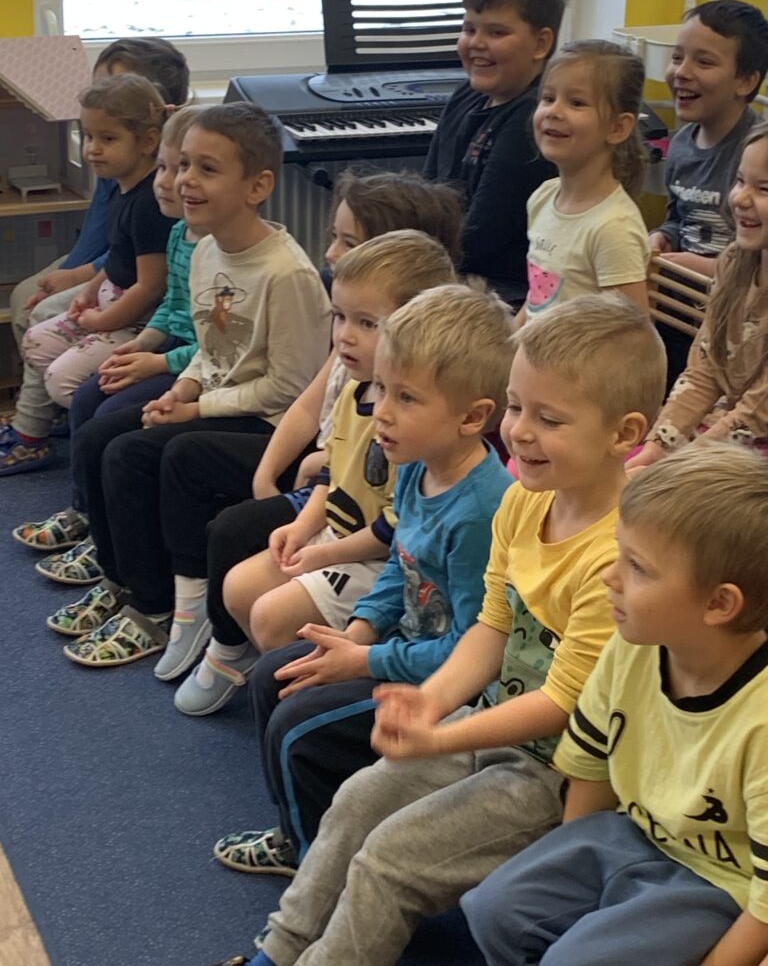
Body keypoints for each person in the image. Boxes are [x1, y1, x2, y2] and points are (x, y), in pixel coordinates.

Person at [214, 293, 667, 966]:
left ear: (624, 434)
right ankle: (278, 952)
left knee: (389, 860)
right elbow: (491, 627)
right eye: (516, 407)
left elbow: (562, 703)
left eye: (548, 418)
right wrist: (431, 702)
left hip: (556, 773)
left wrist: (441, 731)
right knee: (357, 800)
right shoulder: (523, 504)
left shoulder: (615, 557)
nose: (519, 433)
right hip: (488, 727)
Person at [212, 284, 514, 878]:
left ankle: (319, 867)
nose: (382, 411)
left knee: (298, 726)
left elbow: (473, 650)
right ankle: (303, 831)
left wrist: (365, 660)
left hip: (449, 686)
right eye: (381, 390)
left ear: (472, 417)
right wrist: (358, 632)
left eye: (406, 397)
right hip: (402, 647)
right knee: (274, 677)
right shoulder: (418, 468)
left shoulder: (481, 511)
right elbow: (400, 567)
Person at [140, 170, 464, 686]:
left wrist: (320, 549)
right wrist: (296, 510)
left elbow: (394, 527)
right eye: (340, 318)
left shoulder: (412, 418)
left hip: (377, 555)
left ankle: (317, 683)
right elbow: (332, 467)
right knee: (240, 584)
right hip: (341, 527)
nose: (345, 336)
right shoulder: (357, 384)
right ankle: (236, 645)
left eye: (366, 323)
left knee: (265, 605)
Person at [48, 101, 331, 666]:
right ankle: (122, 579)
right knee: (102, 437)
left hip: (270, 423)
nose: (184, 181)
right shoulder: (204, 250)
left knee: (138, 453)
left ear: (258, 186)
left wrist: (196, 410)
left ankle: (155, 606)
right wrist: (183, 389)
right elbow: (209, 347)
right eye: (182, 166)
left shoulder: (287, 274)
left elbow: (291, 387)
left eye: (207, 169)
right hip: (220, 401)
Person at [462, 444, 768, 966]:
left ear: (719, 603)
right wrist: (565, 869)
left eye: (637, 567)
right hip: (629, 835)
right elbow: (590, 767)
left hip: (718, 884)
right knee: (492, 909)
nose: (610, 575)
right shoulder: (631, 647)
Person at [12, 105, 202, 564]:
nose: (168, 181)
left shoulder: (209, 248)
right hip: (166, 347)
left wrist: (154, 358)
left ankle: (108, 535)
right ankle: (87, 512)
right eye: (164, 168)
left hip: (191, 364)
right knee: (86, 398)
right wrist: (143, 344)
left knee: (106, 415)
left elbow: (211, 342)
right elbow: (170, 306)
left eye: (182, 169)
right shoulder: (179, 233)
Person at [1, 37, 190, 476]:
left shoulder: (151, 198)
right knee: (36, 333)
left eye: (106, 137)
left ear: (148, 135)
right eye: (87, 136)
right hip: (108, 292)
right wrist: (89, 285)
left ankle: (46, 433)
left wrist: (99, 318)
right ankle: (52, 423)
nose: (91, 149)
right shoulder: (119, 178)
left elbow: (151, 284)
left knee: (60, 368)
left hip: (133, 316)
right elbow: (114, 252)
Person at [423, 0, 567, 308]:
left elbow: (478, 240)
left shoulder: (533, 118)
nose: (476, 43)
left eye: (497, 32)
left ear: (541, 44)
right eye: (469, 29)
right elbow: (425, 194)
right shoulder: (467, 94)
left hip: (501, 293)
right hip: (451, 269)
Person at [628, 120, 768, 471]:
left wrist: (676, 466)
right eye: (740, 181)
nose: (740, 198)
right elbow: (705, 371)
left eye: (763, 188)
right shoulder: (735, 261)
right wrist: (658, 447)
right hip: (723, 436)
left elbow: (756, 413)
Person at [649, 0, 768, 389]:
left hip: (737, 324)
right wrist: (662, 237)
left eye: (703, 62)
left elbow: (757, 264)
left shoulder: (756, 155)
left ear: (745, 81)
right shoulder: (682, 143)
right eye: (677, 57)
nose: (682, 72)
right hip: (676, 310)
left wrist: (688, 265)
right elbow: (677, 218)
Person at [522, 39, 651, 321]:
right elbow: (538, 300)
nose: (554, 111)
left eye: (576, 103)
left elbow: (632, 332)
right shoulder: (543, 196)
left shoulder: (614, 228)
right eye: (548, 98)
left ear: (618, 128)